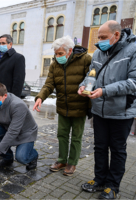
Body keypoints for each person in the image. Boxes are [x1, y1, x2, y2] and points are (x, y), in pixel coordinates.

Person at [78, 21, 136, 199]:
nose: (99, 41)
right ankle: (99, 179)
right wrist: (83, 86)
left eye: (103, 37)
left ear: (116, 35)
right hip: (99, 110)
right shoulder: (97, 53)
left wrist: (105, 91)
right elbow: (91, 75)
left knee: (117, 149)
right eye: (98, 37)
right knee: (100, 147)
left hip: (122, 111)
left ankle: (112, 186)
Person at [33, 35, 92, 176]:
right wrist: (40, 97)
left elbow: (91, 78)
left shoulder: (85, 60)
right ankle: (62, 160)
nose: (57, 56)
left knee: (76, 136)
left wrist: (88, 90)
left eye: (60, 53)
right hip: (63, 105)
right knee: (62, 135)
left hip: (79, 105)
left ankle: (72, 163)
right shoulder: (55, 65)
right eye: (55, 53)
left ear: (70, 51)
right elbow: (49, 84)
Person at [0, 83, 38, 169]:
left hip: (25, 134)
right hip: (8, 128)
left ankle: (33, 156)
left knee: (21, 158)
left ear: (5, 95)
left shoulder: (18, 105)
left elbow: (13, 132)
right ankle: (7, 158)